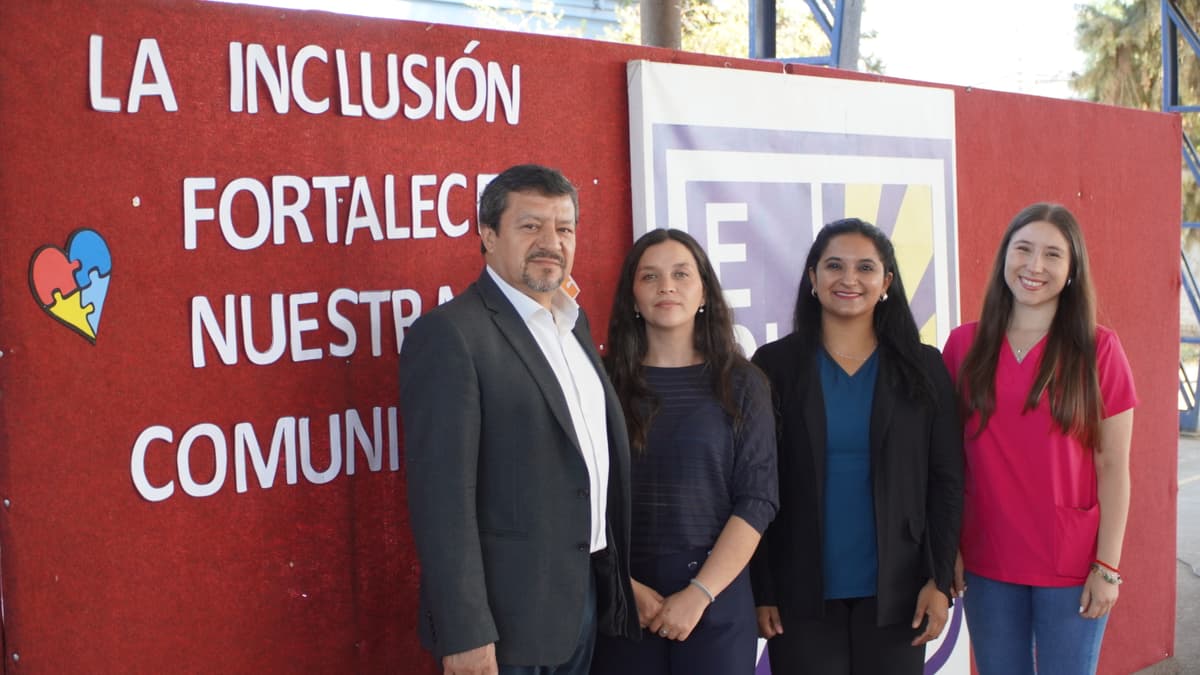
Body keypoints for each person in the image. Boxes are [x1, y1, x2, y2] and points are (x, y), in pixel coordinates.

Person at [399, 164, 639, 675]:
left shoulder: (573, 325)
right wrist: (465, 632)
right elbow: (441, 501)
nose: (551, 242)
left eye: (564, 228)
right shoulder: (450, 336)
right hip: (505, 624)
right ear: (488, 235)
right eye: (531, 226)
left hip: (581, 600)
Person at [750, 218, 963, 675]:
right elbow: (755, 484)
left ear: (886, 282)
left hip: (900, 591)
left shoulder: (923, 367)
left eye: (865, 267)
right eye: (833, 266)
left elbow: (946, 480)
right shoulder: (774, 366)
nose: (849, 279)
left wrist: (938, 579)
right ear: (812, 278)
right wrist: (762, 588)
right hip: (798, 592)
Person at [941, 203, 1136, 675]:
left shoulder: (1099, 349)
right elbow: (945, 460)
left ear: (1071, 271)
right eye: (1022, 249)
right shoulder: (964, 346)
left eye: (1052, 255)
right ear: (1004, 256)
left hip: (1070, 562)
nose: (1034, 266)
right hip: (987, 558)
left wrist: (1107, 566)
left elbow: (1113, 465)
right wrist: (948, 546)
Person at [590, 228, 777, 675]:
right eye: (649, 277)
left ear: (704, 293)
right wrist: (622, 587)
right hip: (624, 596)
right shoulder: (600, 381)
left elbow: (757, 500)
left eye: (680, 274)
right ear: (632, 299)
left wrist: (699, 594)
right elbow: (583, 495)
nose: (666, 286)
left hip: (716, 596)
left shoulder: (742, 383)